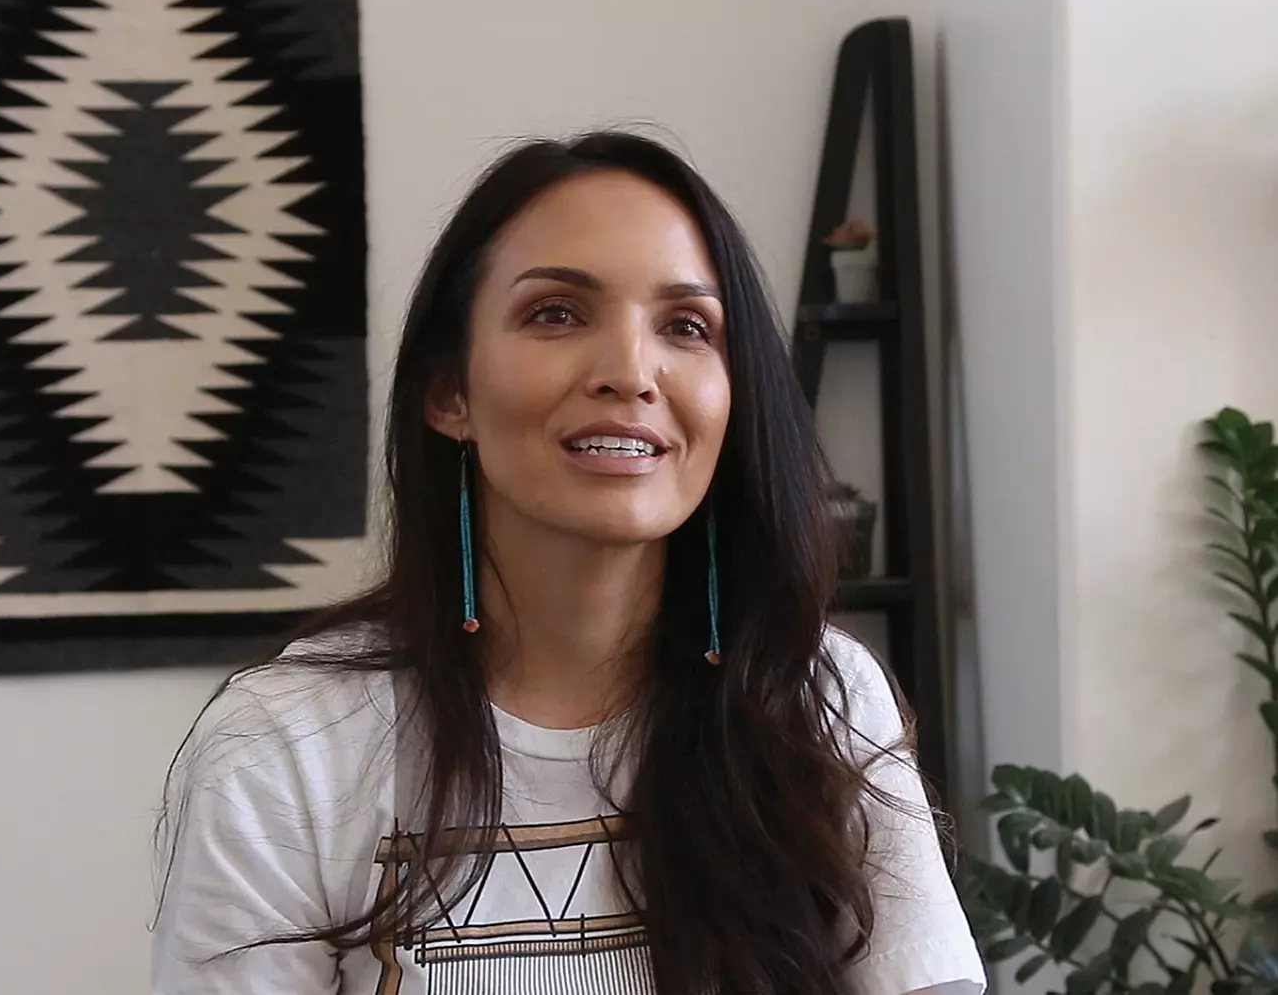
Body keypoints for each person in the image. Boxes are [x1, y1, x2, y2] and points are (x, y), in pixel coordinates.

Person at [152, 131, 986, 995]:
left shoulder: (819, 696)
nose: (631, 371)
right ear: (450, 393)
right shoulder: (285, 744)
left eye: (686, 326)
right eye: (556, 312)